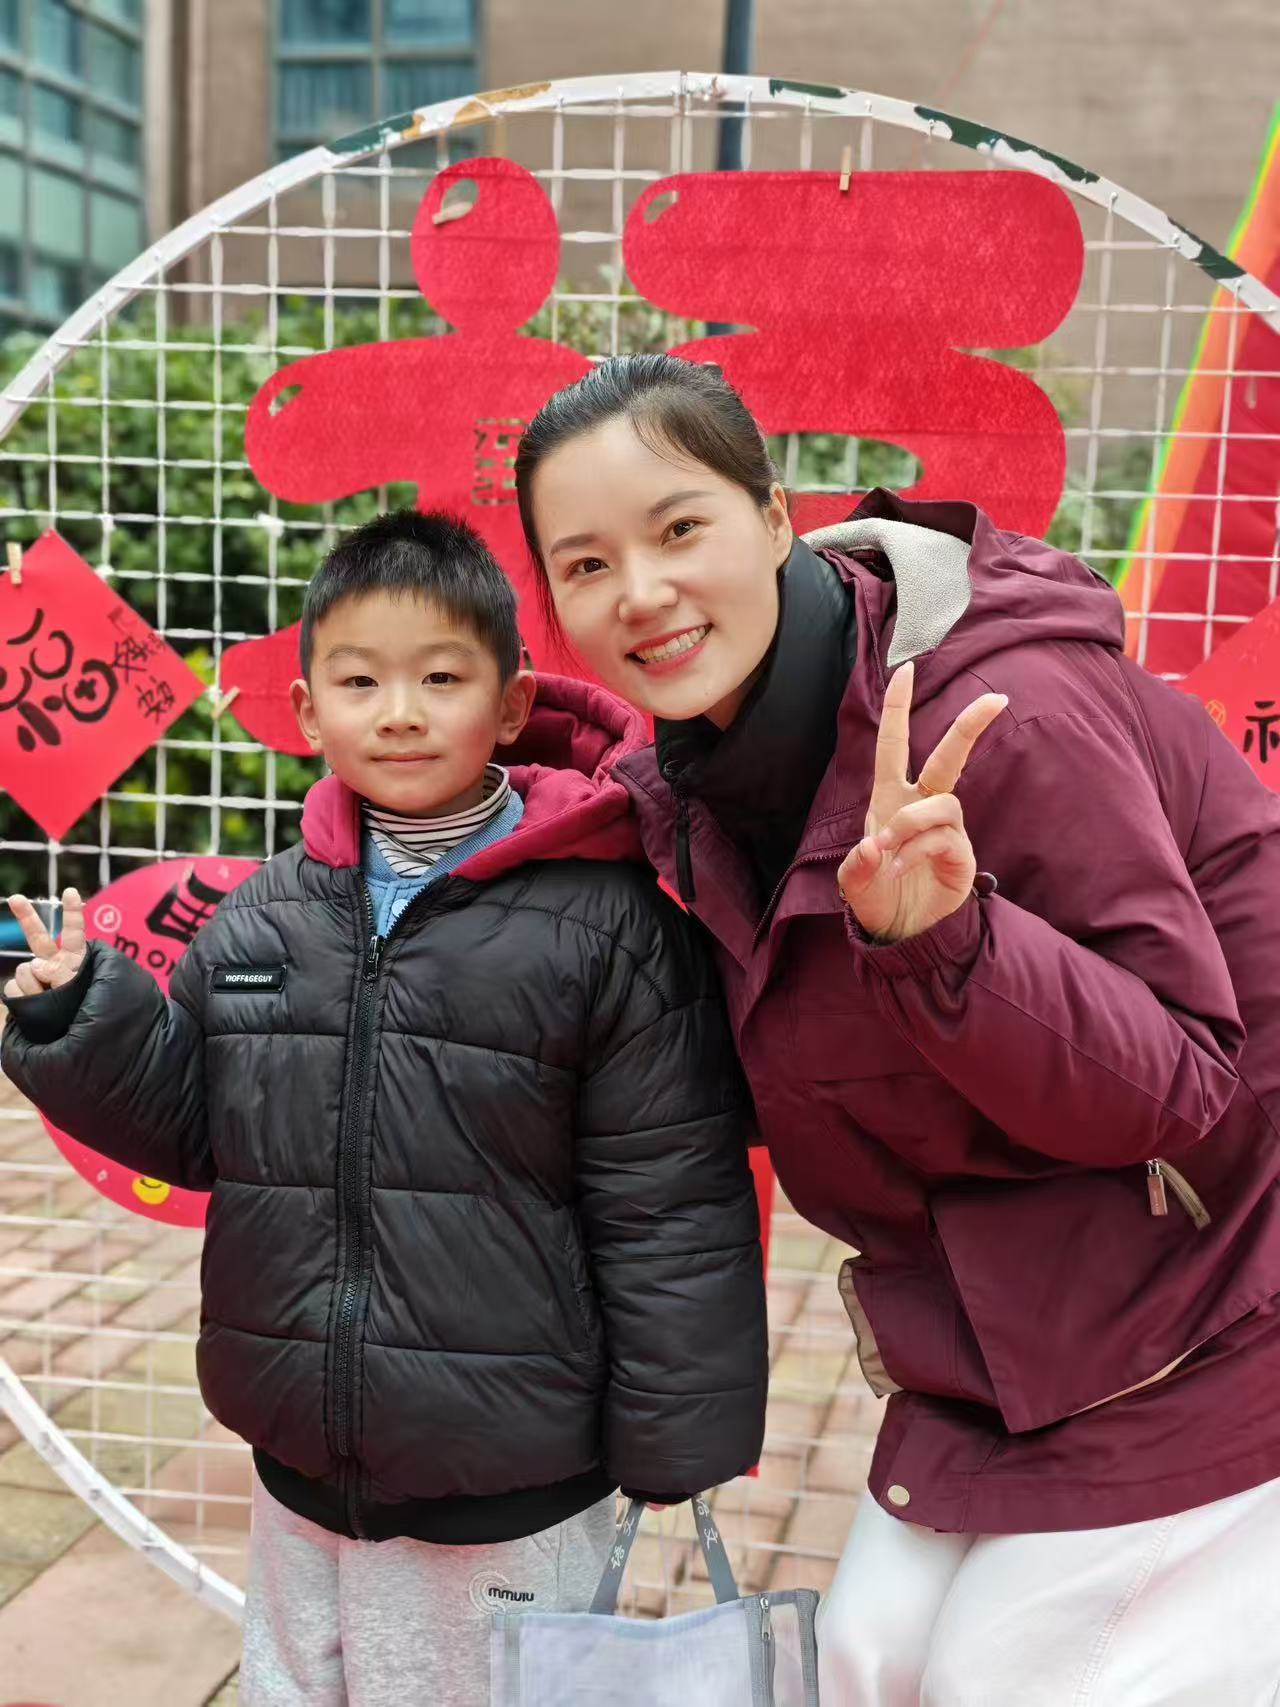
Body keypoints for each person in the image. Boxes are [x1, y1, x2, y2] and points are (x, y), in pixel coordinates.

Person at [512, 354, 1280, 1705]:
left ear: (773, 514)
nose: (638, 591)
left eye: (678, 527)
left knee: (1000, 1680)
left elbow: (1186, 1088)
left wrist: (951, 941)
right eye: (585, 563)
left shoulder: (998, 712)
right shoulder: (703, 792)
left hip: (1214, 1306)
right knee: (863, 1664)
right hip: (1002, 1333)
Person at [0, 508, 769, 1707]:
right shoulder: (263, 918)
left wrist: (681, 1435)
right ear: (310, 712)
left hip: (508, 1478)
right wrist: (75, 1018)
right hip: (297, 1455)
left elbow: (667, 1198)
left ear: (511, 704)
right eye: (360, 681)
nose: (399, 712)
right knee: (291, 1687)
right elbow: (191, 1128)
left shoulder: (605, 925)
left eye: (440, 678)